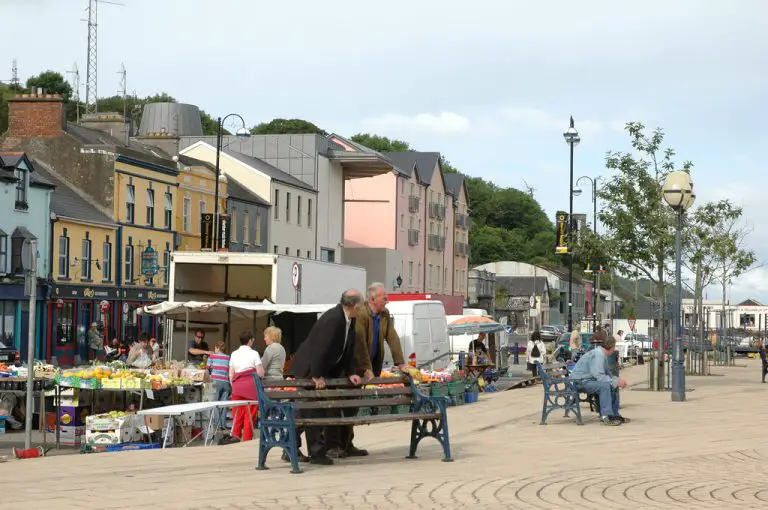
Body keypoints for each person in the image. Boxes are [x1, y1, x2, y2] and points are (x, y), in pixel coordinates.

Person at [331, 282, 408, 460]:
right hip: (352, 368)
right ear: (373, 299)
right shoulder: (362, 313)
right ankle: (335, 445)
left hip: (367, 369)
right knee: (341, 406)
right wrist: (366, 368)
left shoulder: (384, 315)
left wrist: (401, 363)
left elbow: (392, 337)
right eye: (384, 297)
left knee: (353, 407)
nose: (387, 300)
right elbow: (359, 343)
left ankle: (347, 444)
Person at [288, 289, 363, 466]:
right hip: (309, 370)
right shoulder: (334, 318)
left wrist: (351, 371)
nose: (361, 309)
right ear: (355, 305)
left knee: (307, 411)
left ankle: (290, 446)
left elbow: (347, 349)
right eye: (360, 306)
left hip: (320, 369)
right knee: (313, 410)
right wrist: (316, 374)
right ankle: (316, 453)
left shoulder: (349, 319)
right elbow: (319, 347)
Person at [568, 334, 629, 426]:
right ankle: (606, 416)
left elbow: (607, 374)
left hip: (586, 381)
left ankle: (614, 414)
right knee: (604, 386)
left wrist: (617, 381)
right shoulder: (598, 355)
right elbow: (599, 376)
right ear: (612, 347)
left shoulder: (601, 354)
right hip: (580, 382)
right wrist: (616, 381)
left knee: (612, 385)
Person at [228, 332, 264, 442]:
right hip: (250, 387)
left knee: (237, 413)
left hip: (237, 387)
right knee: (250, 415)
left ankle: (235, 437)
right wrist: (262, 372)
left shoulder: (234, 354)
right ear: (250, 341)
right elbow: (260, 373)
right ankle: (247, 440)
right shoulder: (254, 353)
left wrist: (234, 385)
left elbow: (231, 374)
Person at [207, 341, 231, 428]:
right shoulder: (228, 357)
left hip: (215, 381)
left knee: (215, 403)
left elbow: (208, 368)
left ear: (217, 348)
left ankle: (217, 425)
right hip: (226, 382)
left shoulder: (212, 356)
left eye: (215, 348)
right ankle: (223, 425)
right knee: (224, 405)